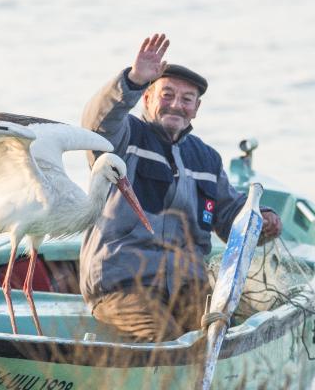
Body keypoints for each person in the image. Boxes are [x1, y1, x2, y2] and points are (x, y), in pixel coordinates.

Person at [79, 33, 282, 343]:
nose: (176, 105)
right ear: (147, 98)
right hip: (123, 286)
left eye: (187, 99)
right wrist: (133, 79)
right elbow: (97, 122)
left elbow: (230, 216)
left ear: (196, 109)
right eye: (167, 94)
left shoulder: (206, 158)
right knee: (167, 341)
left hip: (187, 288)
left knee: (221, 336)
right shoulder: (124, 137)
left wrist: (263, 219)